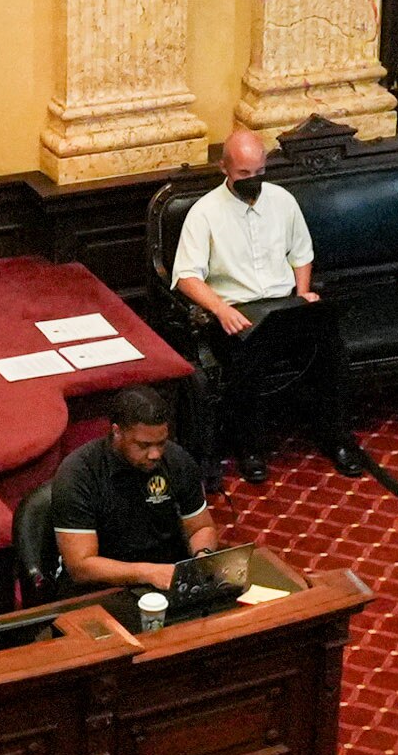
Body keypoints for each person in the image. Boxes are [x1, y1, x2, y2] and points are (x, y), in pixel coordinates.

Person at [169, 126, 330, 480]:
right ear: (224, 168)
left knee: (330, 347)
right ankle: (250, 448)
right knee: (247, 360)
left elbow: (301, 253)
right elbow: (186, 276)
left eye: (259, 172)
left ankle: (337, 438)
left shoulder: (282, 201)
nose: (253, 180)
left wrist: (302, 294)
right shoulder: (205, 213)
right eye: (244, 173)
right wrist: (220, 309)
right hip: (238, 313)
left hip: (284, 305)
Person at [47, 385, 220, 593]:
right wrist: (148, 572)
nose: (155, 454)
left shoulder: (177, 460)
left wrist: (202, 557)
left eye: (161, 443)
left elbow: (201, 528)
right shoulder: (78, 473)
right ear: (117, 432)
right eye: (143, 445)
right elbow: (81, 566)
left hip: (166, 577)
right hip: (103, 588)